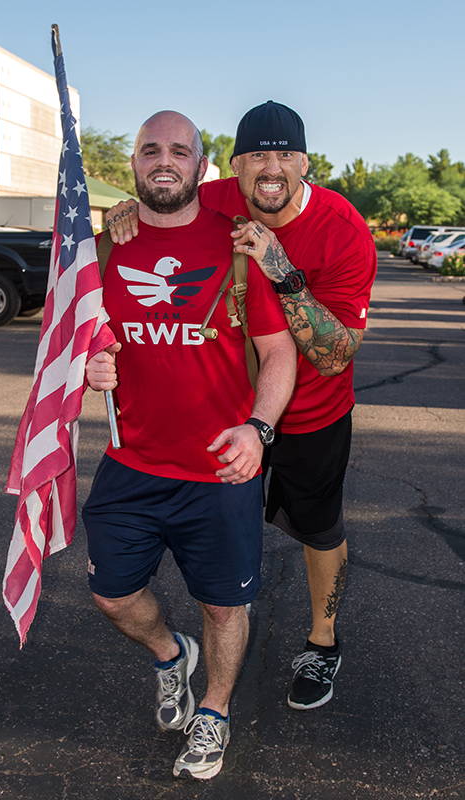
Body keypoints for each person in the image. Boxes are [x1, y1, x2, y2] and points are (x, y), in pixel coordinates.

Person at [105, 101, 377, 713]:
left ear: (306, 163)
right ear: (234, 165)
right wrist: (128, 212)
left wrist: (281, 268)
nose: (270, 167)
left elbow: (334, 355)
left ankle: (321, 640)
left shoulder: (343, 228)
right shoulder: (218, 194)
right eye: (257, 155)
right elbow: (162, 199)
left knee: (317, 528)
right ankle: (206, 648)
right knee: (226, 548)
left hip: (312, 410)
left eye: (284, 155)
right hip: (231, 411)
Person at [83, 109, 296, 780]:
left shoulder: (237, 245)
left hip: (219, 471)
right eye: (151, 150)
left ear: (202, 166)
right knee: (113, 596)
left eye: (179, 149)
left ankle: (216, 709)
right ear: (136, 165)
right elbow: (79, 338)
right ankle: (171, 654)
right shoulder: (107, 248)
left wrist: (258, 430)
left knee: (224, 605)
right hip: (131, 464)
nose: (164, 159)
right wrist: (91, 367)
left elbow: (278, 350)